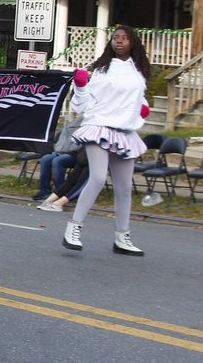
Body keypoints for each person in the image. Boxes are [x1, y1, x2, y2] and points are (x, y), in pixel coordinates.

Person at [62, 25, 151, 256]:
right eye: (115, 38)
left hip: (124, 131)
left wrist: (143, 110)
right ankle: (73, 228)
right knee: (98, 177)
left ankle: (122, 237)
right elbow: (81, 105)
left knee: (124, 188)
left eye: (124, 38)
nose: (119, 41)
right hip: (98, 127)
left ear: (133, 43)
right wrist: (80, 86)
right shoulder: (100, 69)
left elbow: (140, 99)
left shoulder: (138, 71)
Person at [32, 113, 83, 200]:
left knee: (58, 161)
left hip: (76, 154)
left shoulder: (84, 124)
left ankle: (60, 191)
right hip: (61, 152)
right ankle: (44, 190)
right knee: (45, 159)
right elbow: (56, 137)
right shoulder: (69, 124)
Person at [37, 147, 90, 212]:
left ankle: (48, 201)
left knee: (71, 180)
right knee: (81, 184)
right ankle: (58, 203)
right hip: (94, 155)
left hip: (84, 150)